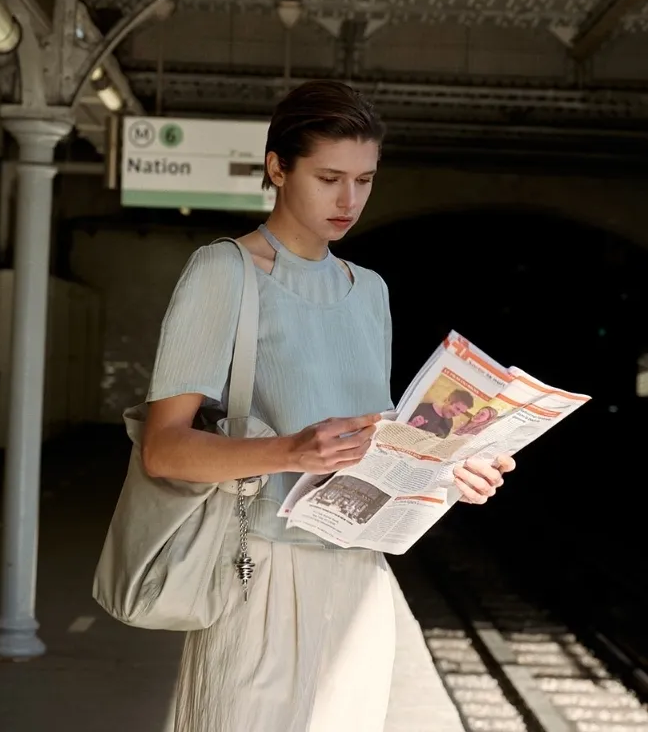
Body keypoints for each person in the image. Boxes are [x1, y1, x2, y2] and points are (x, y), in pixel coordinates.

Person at [141, 80, 516, 732]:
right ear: (278, 167)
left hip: (361, 577)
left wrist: (449, 472)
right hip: (263, 576)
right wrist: (290, 449)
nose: (350, 200)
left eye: (365, 179)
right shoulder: (223, 271)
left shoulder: (368, 290)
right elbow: (162, 446)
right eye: (330, 176)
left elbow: (377, 447)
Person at [409, 387, 475, 438]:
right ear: (448, 400)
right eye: (457, 409)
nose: (457, 414)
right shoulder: (422, 408)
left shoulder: (449, 423)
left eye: (461, 412)